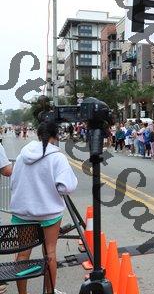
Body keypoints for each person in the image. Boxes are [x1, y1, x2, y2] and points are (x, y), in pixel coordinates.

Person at [10, 121, 78, 294]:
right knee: (50, 253)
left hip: (23, 213)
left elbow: (13, 183)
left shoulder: (22, 156)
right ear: (56, 136)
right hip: (49, 213)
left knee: (23, 255)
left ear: (39, 135)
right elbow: (67, 187)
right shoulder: (57, 157)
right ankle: (50, 291)